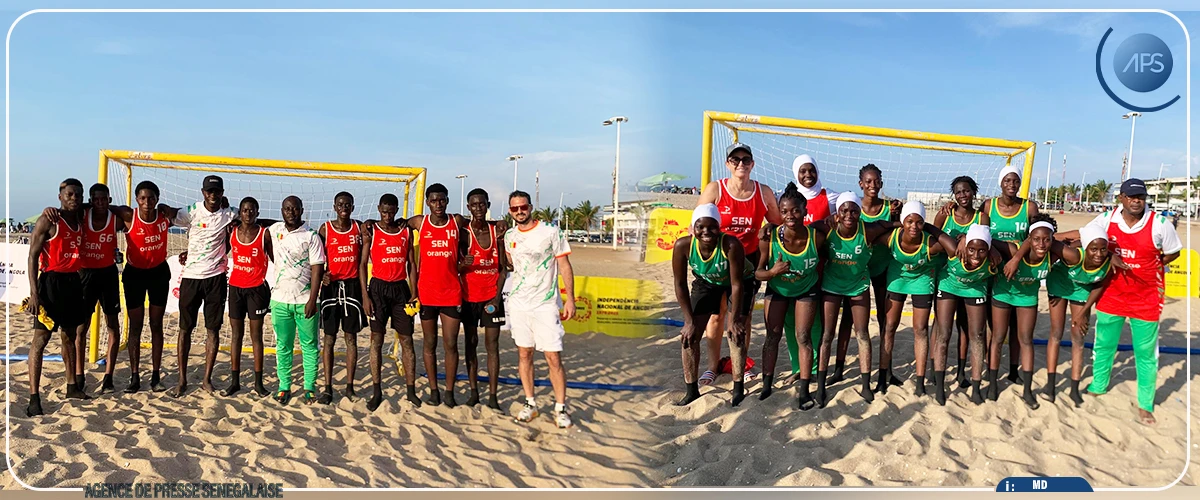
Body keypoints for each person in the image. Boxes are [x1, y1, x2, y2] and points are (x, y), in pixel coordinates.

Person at [1067, 179, 1182, 425]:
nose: (1136, 200)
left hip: (1147, 296)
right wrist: (1109, 254)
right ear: (1121, 198)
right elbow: (1087, 237)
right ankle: (1099, 385)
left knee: (1145, 352)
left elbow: (1175, 251)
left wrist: (1157, 263)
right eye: (1131, 196)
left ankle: (1145, 404)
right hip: (1112, 293)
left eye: (1140, 196)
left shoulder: (1159, 224)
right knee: (1104, 345)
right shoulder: (1107, 219)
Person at [695, 143, 780, 386]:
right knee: (715, 317)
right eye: (735, 160)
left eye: (745, 159)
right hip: (717, 261)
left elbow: (778, 222)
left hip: (747, 262)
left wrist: (768, 231)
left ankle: (740, 364)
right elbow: (697, 225)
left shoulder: (763, 192)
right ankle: (712, 367)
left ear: (752, 164)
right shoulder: (716, 189)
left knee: (740, 319)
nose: (741, 164)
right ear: (728, 164)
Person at [813, 191, 904, 405]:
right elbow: (803, 230)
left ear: (859, 213)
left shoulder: (868, 230)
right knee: (827, 335)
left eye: (854, 211)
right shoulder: (827, 228)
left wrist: (899, 219)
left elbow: (891, 225)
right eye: (844, 210)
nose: (849, 215)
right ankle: (820, 386)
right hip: (832, 285)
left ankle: (865, 386)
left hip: (858, 286)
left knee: (862, 333)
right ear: (837, 213)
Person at [160, 175, 238, 397]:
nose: (213, 196)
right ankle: (182, 380)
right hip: (191, 278)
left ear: (222, 193)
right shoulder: (191, 211)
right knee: (185, 329)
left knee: (212, 330)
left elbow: (252, 217)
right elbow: (167, 212)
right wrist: (162, 206)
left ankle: (206, 380)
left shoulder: (229, 213)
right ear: (203, 193)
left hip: (216, 279)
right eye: (209, 192)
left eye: (217, 192)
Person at [504, 190, 576, 427]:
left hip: (545, 304)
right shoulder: (509, 235)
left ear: (531, 207)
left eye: (522, 207)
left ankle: (560, 408)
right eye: (514, 209)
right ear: (510, 211)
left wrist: (570, 299)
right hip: (519, 304)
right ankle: (530, 403)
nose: (519, 212)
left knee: (553, 357)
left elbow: (564, 266)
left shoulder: (550, 231)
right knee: (524, 354)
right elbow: (512, 265)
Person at [673, 204, 753, 407]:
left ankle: (737, 386)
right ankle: (691, 391)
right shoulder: (683, 245)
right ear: (693, 228)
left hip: (739, 282)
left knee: (736, 333)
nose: (706, 232)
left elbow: (736, 284)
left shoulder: (731, 245)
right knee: (689, 336)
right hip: (706, 282)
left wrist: (734, 320)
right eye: (701, 227)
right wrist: (689, 321)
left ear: (719, 227)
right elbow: (680, 283)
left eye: (712, 227)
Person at [828, 164, 901, 385]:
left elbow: (903, 225)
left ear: (881, 182)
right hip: (855, 270)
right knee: (848, 320)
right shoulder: (850, 208)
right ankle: (839, 369)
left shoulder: (891, 207)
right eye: (868, 181)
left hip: (881, 267)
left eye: (876, 180)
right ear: (860, 183)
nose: (873, 185)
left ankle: (885, 371)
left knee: (884, 320)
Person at [877, 201, 958, 397]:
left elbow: (953, 249)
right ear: (903, 221)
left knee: (920, 329)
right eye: (910, 221)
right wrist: (895, 222)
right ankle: (883, 377)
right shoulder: (891, 238)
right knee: (889, 327)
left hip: (922, 279)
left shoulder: (928, 242)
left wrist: (930, 226)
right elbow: (871, 231)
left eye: (919, 222)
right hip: (898, 279)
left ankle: (920, 381)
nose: (914, 226)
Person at [754, 186, 822, 409]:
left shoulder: (816, 237)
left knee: (803, 337)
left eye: (795, 211)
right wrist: (773, 272)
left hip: (806, 289)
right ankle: (766, 385)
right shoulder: (769, 237)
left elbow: (828, 261)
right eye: (784, 212)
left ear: (805, 211)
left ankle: (804, 391)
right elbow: (758, 272)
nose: (790, 216)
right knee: (772, 336)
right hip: (778, 289)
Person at [25, 179, 88, 416]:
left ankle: (72, 386)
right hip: (50, 283)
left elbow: (102, 206)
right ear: (60, 196)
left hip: (73, 282)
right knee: (40, 340)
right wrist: (34, 293)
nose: (74, 198)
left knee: (69, 336)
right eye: (69, 194)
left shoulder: (80, 217)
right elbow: (32, 256)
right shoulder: (49, 220)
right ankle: (34, 397)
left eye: (78, 195)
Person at [406, 183, 470, 407]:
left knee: (450, 345)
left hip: (451, 293)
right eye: (433, 200)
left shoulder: (457, 221)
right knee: (429, 344)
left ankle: (450, 392)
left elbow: (479, 227)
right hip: (427, 294)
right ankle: (434, 390)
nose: (438, 204)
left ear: (447, 200)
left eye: (442, 200)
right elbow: (393, 224)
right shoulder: (419, 222)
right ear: (427, 203)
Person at [980, 165, 1040, 387]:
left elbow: (1036, 236)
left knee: (1017, 328)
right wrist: (996, 249)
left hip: (1020, 271)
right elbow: (981, 234)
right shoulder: (988, 205)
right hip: (994, 273)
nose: (1012, 185)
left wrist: (1016, 259)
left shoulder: (1029, 207)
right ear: (1000, 183)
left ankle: (1014, 371)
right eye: (1007, 181)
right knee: (993, 327)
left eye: (1015, 181)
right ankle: (990, 368)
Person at [360, 194, 421, 412]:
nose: (387, 215)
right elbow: (362, 263)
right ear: (378, 209)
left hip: (400, 290)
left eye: (391, 211)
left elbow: (411, 264)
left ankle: (411, 390)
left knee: (407, 341)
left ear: (396, 210)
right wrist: (365, 295)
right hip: (377, 289)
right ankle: (377, 391)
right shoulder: (372, 230)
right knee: (376, 340)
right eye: (384, 211)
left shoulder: (406, 230)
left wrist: (414, 292)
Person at [1042, 225, 1111, 406]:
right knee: (1056, 333)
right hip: (1060, 283)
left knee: (1078, 336)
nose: (1098, 254)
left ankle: (1074, 388)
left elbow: (1098, 286)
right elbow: (1049, 239)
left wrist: (1082, 312)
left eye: (1103, 249)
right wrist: (1075, 239)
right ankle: (1050, 386)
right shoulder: (1074, 255)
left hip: (1082, 289)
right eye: (1093, 249)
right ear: (1086, 247)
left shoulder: (1108, 261)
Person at [266, 196, 326, 405]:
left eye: (294, 209)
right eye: (286, 209)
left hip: (305, 301)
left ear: (301, 210)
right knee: (283, 346)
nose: (290, 212)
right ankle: (284, 386)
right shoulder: (274, 231)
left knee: (309, 346)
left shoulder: (311, 236)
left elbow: (318, 269)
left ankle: (309, 387)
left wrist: (313, 299)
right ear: (282, 211)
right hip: (280, 300)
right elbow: (261, 236)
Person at [993, 213, 1056, 409]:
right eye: (1036, 239)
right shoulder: (1012, 249)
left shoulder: (1053, 253)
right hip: (1003, 293)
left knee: (1025, 339)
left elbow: (1081, 237)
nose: (1042, 244)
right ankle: (993, 383)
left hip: (1027, 297)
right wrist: (1015, 257)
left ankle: (1027, 390)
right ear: (1029, 239)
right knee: (998, 337)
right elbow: (985, 238)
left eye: (1047, 239)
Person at [784, 154, 836, 383]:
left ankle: (813, 368)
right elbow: (775, 225)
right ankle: (798, 366)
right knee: (789, 321)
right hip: (789, 271)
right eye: (803, 171)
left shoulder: (830, 197)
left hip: (819, 268)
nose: (807, 175)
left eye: (811, 170)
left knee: (813, 322)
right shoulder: (785, 199)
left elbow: (849, 215)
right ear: (796, 173)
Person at [934, 224, 995, 405]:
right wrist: (961, 238)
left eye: (982, 250)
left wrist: (995, 248)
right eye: (972, 249)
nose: (976, 256)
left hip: (974, 289)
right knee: (943, 335)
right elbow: (935, 230)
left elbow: (1017, 247)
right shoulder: (954, 250)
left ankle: (975, 389)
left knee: (977, 336)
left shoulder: (993, 258)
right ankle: (939, 388)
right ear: (965, 246)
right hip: (949, 286)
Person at [317, 192, 369, 404]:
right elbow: (317, 258)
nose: (344, 207)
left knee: (351, 338)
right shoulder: (325, 229)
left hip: (352, 287)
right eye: (340, 204)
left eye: (347, 204)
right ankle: (328, 387)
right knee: (329, 339)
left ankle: (349, 387)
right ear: (335, 207)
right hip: (331, 288)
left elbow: (363, 261)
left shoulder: (359, 228)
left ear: (353, 206)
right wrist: (322, 276)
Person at [460, 188, 507, 410]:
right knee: (470, 344)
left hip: (492, 298)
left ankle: (493, 396)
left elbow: (503, 269)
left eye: (482, 204)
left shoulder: (497, 231)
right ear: (468, 207)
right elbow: (456, 266)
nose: (478, 208)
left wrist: (497, 300)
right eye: (474, 205)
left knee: (492, 346)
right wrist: (463, 265)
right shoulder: (464, 233)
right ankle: (473, 392)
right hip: (469, 297)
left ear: (488, 205)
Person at [77, 183, 126, 394]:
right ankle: (79, 374)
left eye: (103, 199)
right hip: (85, 274)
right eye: (95, 199)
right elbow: (61, 213)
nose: (99, 203)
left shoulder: (115, 219)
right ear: (90, 200)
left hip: (107, 274)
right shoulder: (82, 215)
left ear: (109, 200)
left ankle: (108, 376)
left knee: (112, 325)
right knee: (81, 327)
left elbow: (134, 217)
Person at [934, 176, 982, 390]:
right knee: (942, 329)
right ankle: (936, 373)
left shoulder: (982, 218)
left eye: (966, 191)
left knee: (966, 328)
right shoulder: (946, 214)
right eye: (958, 192)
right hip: (947, 277)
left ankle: (962, 373)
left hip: (973, 281)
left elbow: (984, 241)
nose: (962, 195)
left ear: (974, 192)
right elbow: (933, 235)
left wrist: (965, 237)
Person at [223, 197, 273, 397]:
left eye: (252, 210)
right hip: (235, 288)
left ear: (257, 212)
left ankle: (258, 383)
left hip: (256, 290)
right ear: (240, 213)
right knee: (236, 336)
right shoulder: (232, 232)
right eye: (245, 210)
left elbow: (276, 257)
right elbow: (219, 251)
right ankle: (235, 382)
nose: (248, 213)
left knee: (256, 336)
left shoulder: (264, 234)